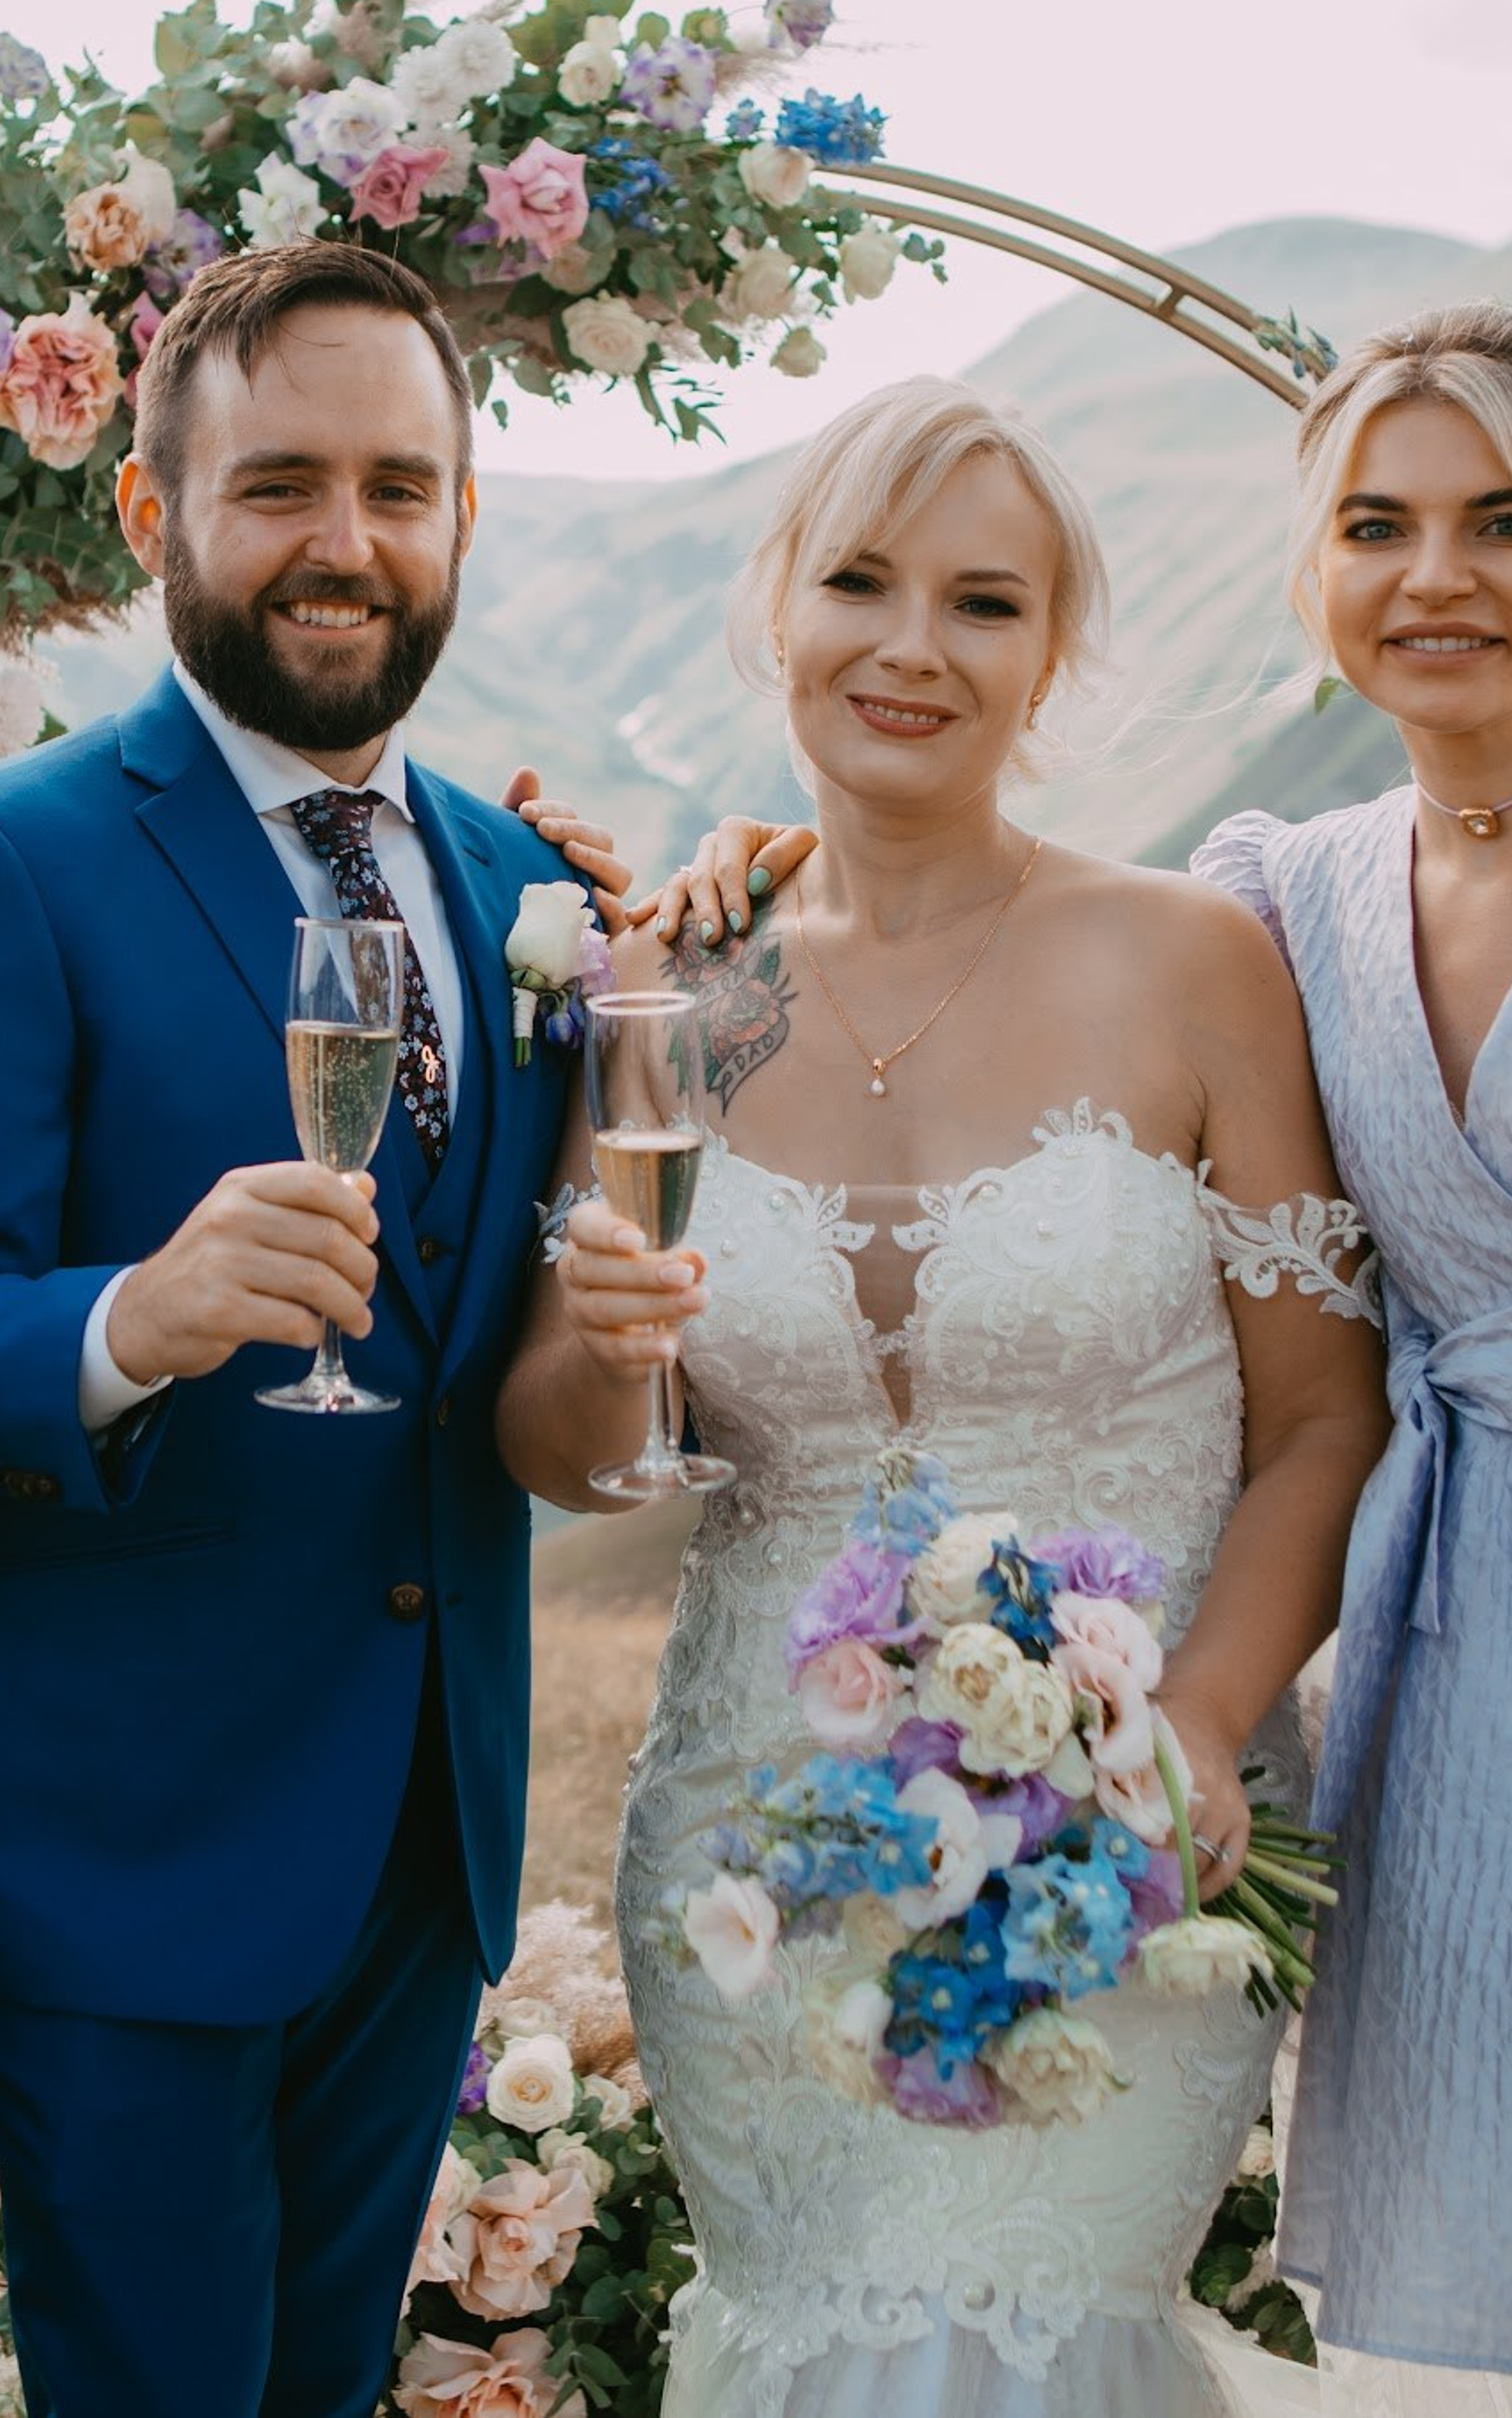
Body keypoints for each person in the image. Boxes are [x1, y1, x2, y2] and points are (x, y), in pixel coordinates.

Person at [497, 376, 1389, 2417]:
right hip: (756, 1854)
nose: (912, 646)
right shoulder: (676, 986)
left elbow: (1325, 1423)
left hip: (1133, 1843)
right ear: (777, 608)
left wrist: (1196, 1724)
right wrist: (614, 1343)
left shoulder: (1193, 962)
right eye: (861, 583)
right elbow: (559, 1445)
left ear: (1050, 655)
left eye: (984, 604)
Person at [0, 239, 631, 2418]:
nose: (344, 541)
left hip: (419, 1837)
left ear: (462, 516)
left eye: (398, 486)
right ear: (150, 511)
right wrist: (132, 1320)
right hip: (115, 1841)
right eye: (278, 485)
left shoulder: (523, 889)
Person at [1188, 304, 1512, 2417]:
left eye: (1501, 520)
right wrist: (766, 888)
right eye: (1377, 525)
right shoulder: (1284, 902)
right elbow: (1038, 980)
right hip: (1447, 1658)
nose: (1435, 577)